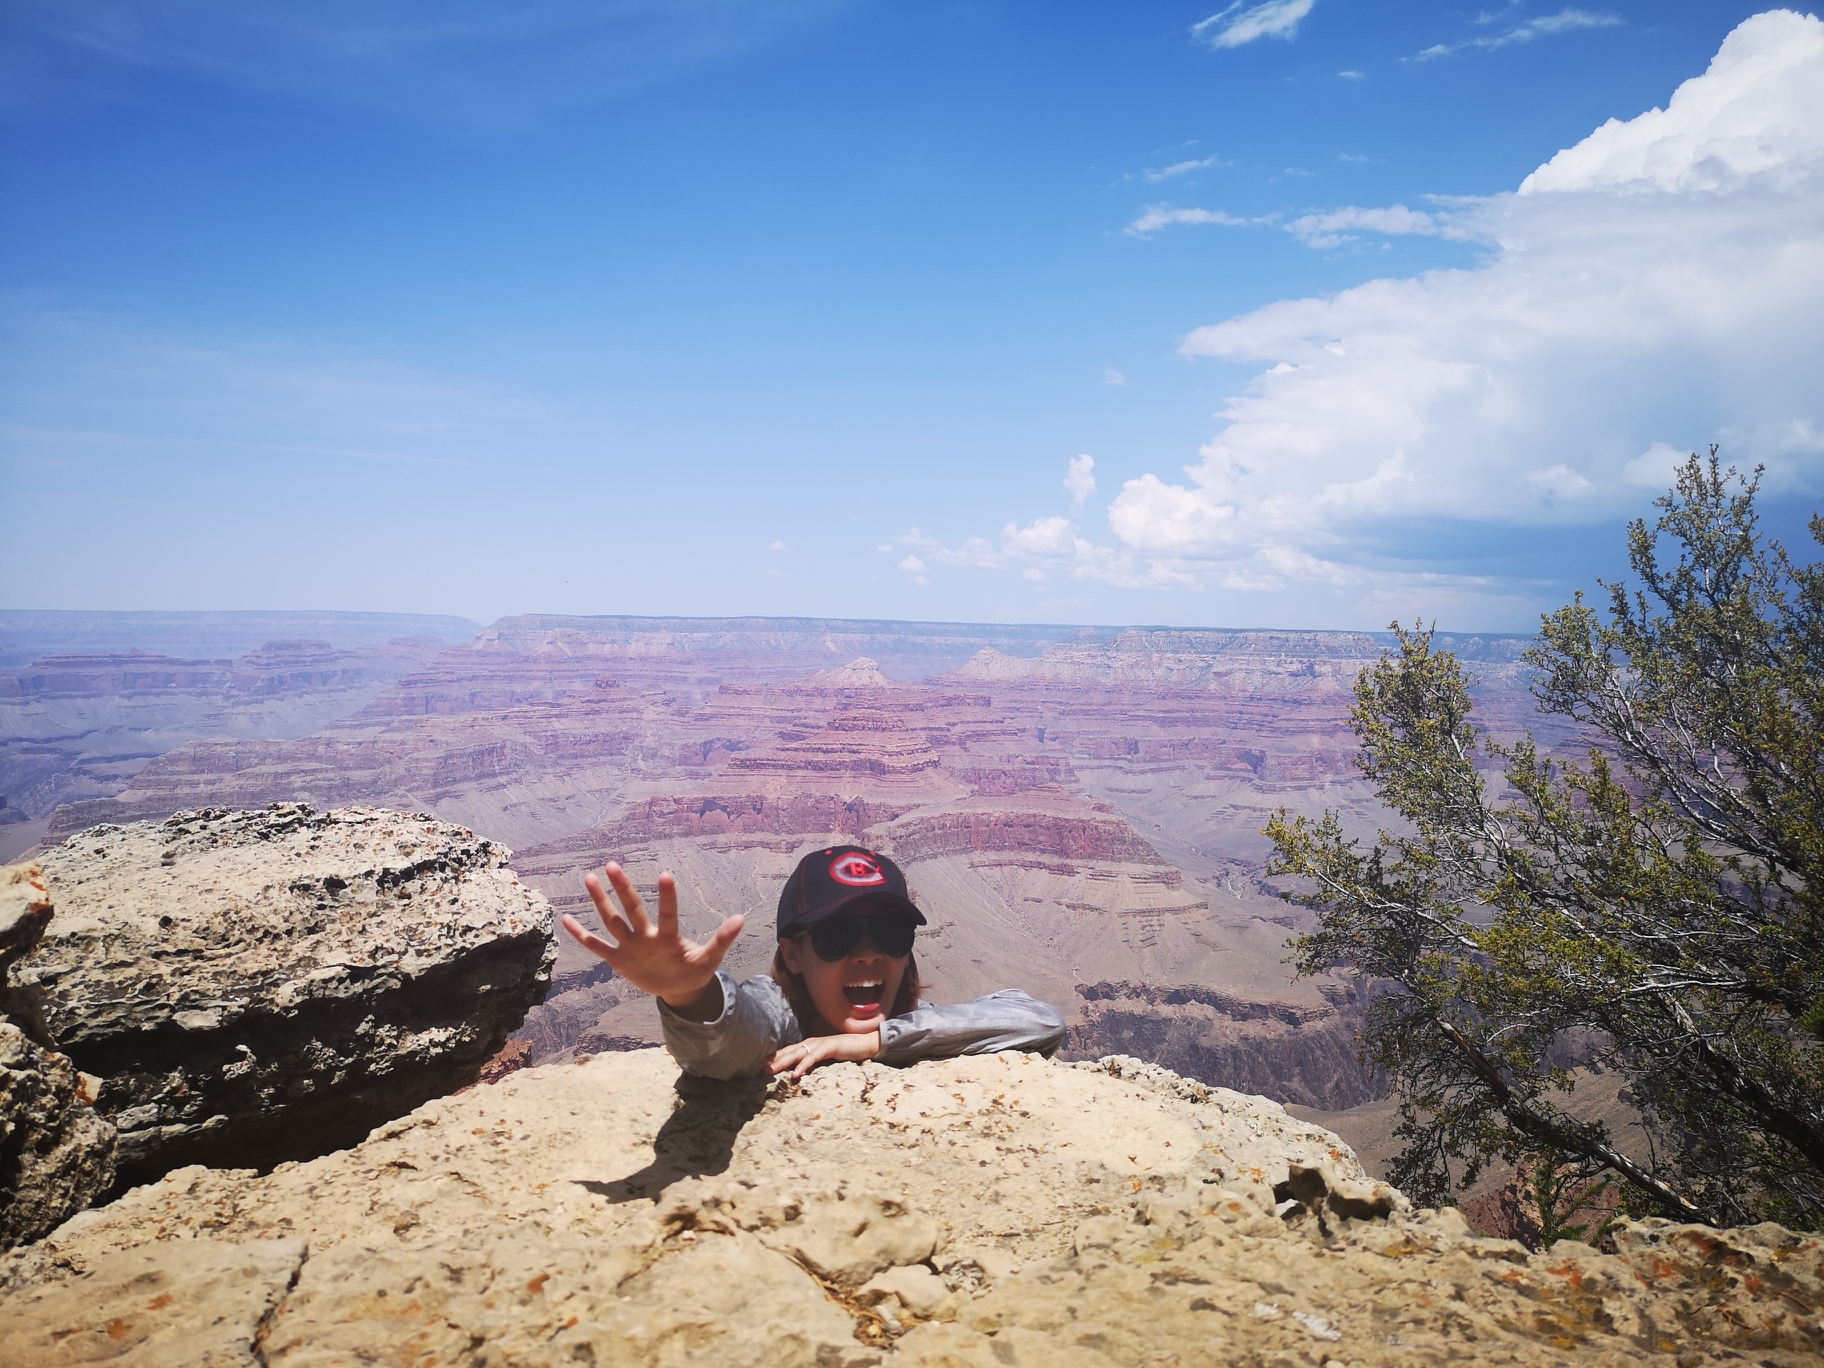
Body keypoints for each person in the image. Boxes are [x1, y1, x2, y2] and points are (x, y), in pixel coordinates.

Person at [560, 844, 1065, 1080]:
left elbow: (1041, 1021)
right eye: (837, 935)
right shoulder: (780, 1018)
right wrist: (690, 995)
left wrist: (872, 1041)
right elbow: (730, 1044)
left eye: (890, 934)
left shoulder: (907, 1025)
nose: (867, 953)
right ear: (792, 954)